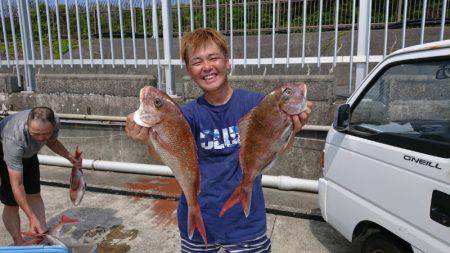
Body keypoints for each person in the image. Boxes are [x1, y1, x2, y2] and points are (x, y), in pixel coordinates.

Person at [125, 28, 313, 252]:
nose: (207, 67)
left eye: (213, 58)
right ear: (189, 70)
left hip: (246, 224)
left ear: (227, 62)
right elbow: (166, 155)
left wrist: (292, 129)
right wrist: (148, 140)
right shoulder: (187, 115)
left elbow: (275, 148)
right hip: (199, 216)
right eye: (197, 61)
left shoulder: (257, 105)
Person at [0, 107, 82, 245]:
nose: (41, 139)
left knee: (34, 194)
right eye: (36, 134)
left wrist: (69, 157)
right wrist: (31, 217)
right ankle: (19, 242)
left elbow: (52, 142)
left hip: (29, 153)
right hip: (3, 154)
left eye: (46, 134)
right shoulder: (14, 140)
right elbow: (17, 186)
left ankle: (41, 233)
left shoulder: (54, 120)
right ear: (27, 125)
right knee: (12, 203)